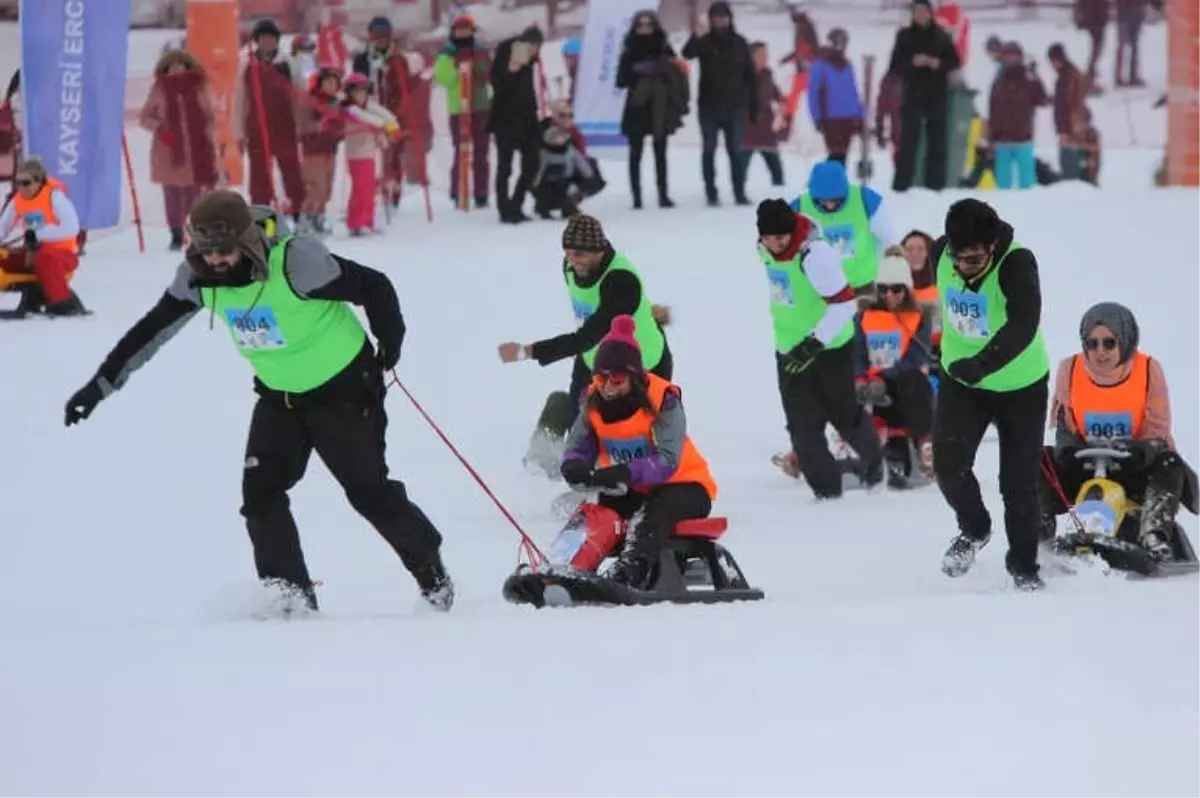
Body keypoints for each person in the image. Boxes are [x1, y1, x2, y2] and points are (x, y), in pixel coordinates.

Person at [61, 190, 453, 614]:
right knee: (261, 494)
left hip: (343, 388)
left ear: (247, 240)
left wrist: (389, 342)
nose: (215, 261)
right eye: (205, 251)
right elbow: (149, 333)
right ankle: (290, 597)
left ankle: (432, 575)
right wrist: (99, 386)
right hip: (279, 395)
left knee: (368, 493)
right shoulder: (197, 278)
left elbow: (374, 286)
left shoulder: (295, 262)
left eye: (224, 251)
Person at [933, 198, 1050, 590]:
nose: (964, 266)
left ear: (992, 247)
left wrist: (984, 363)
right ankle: (975, 528)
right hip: (962, 382)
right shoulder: (940, 253)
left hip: (1020, 384)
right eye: (958, 258)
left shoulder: (1017, 263)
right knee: (948, 466)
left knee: (1017, 482)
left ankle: (1024, 567)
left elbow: (1024, 322)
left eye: (974, 259)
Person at [497, 214, 671, 473]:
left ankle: (617, 480)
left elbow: (588, 335)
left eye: (580, 254)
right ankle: (544, 457)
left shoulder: (622, 281)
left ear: (599, 250)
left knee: (625, 429)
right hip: (594, 357)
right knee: (580, 414)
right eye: (568, 252)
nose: (573, 260)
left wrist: (527, 351)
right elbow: (588, 327)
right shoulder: (570, 267)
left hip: (643, 365)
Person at [560, 315, 716, 588]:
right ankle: (564, 566)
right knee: (597, 515)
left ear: (634, 377)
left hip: (686, 486)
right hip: (632, 487)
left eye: (618, 379)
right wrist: (574, 466)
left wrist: (622, 472)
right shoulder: (593, 400)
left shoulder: (663, 399)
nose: (608, 387)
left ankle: (630, 573)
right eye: (602, 377)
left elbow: (667, 460)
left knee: (651, 515)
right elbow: (579, 445)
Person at [1038, 302, 1197, 558]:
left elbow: (1158, 430)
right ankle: (1038, 535)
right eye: (1092, 344)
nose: (1100, 352)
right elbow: (1064, 425)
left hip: (1134, 466)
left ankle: (1153, 535)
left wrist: (1137, 449)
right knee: (1036, 461)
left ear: (1125, 341)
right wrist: (1069, 446)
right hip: (1084, 466)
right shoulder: (1069, 370)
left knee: (1169, 461)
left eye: (1109, 343)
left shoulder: (1148, 370)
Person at [756, 198, 882, 498]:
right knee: (802, 425)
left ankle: (874, 467)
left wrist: (814, 342)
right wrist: (795, 346)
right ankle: (827, 491)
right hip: (788, 348)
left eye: (782, 237)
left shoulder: (815, 255)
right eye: (769, 237)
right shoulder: (762, 248)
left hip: (831, 347)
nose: (775, 244)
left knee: (843, 415)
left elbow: (845, 303)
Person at [853, 251, 935, 487]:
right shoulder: (864, 316)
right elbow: (857, 352)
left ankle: (923, 445)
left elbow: (915, 357)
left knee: (913, 385)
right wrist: (860, 378)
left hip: (903, 380)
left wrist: (883, 377)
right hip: (871, 384)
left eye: (896, 289)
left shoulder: (918, 317)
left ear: (907, 289)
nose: (889, 295)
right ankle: (865, 452)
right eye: (884, 289)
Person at [681, 1, 757, 207]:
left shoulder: (740, 42)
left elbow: (750, 75)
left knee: (735, 151)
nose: (719, 20)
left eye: (723, 17)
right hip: (709, 107)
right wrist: (695, 35)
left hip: (734, 107)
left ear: (730, 18)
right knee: (709, 150)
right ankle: (711, 192)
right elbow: (686, 54)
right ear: (711, 19)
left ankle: (739, 191)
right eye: (715, 17)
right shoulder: (704, 41)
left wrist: (754, 105)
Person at [790, 160, 899, 295]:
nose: (830, 205)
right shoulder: (799, 208)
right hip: (820, 291)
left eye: (836, 200)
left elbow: (887, 239)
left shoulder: (866, 200)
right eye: (823, 200)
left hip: (863, 286)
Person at [615, 10, 686, 210]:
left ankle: (663, 195)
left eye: (648, 24)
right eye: (640, 25)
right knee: (635, 154)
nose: (645, 29)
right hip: (636, 106)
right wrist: (637, 71)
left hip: (660, 106)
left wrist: (660, 69)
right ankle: (636, 197)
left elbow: (677, 72)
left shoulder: (663, 47)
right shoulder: (629, 50)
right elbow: (620, 81)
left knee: (660, 152)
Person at [887, 0, 960, 192]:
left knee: (937, 138)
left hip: (937, 92)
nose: (921, 15)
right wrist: (913, 62)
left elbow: (954, 61)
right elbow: (895, 65)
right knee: (909, 138)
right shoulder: (904, 36)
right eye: (917, 12)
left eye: (924, 11)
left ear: (930, 13)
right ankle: (902, 183)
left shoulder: (942, 36)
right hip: (913, 93)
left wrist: (938, 63)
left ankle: (935, 183)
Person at [0, 157, 86, 317]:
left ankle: (62, 303)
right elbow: (3, 227)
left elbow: (71, 227)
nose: (21, 188)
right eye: (18, 183)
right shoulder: (17, 200)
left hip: (62, 254)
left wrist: (39, 234)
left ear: (39, 181)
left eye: (26, 183)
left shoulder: (55, 198)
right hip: (33, 253)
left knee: (46, 259)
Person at [490, 26, 544, 223]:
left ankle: (516, 204)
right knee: (505, 167)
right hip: (506, 118)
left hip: (528, 118)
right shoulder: (506, 54)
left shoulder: (533, 62)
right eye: (530, 45)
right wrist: (510, 70)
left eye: (536, 46)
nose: (533, 50)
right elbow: (496, 83)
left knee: (532, 164)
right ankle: (504, 209)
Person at [806, 28, 864, 166]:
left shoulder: (847, 65)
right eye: (837, 42)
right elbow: (813, 93)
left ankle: (834, 182)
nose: (840, 46)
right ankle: (824, 181)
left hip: (849, 117)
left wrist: (861, 115)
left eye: (843, 42)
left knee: (842, 155)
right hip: (830, 117)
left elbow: (853, 91)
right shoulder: (820, 65)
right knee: (835, 154)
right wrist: (816, 117)